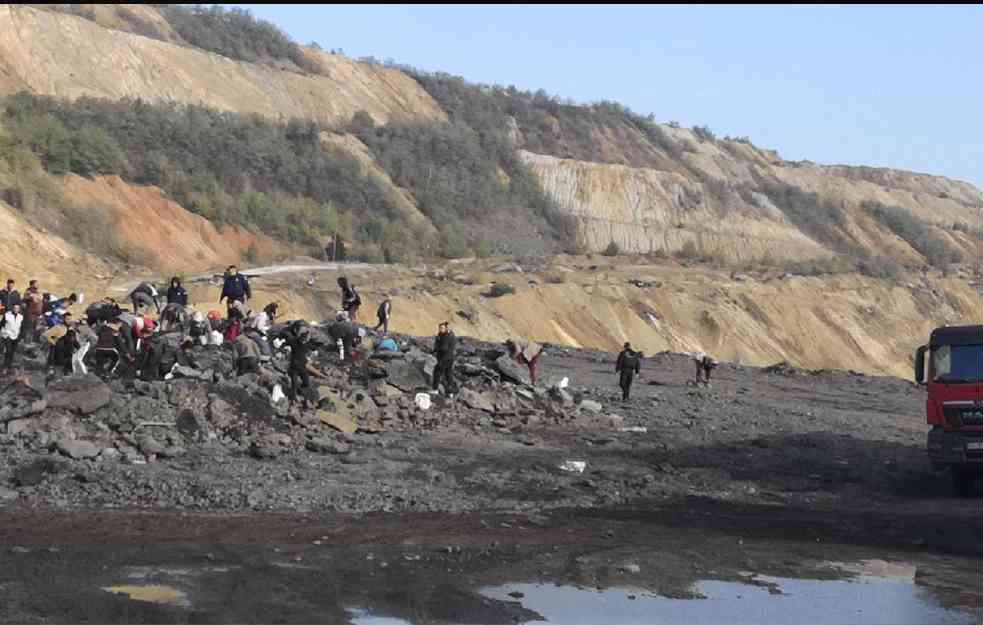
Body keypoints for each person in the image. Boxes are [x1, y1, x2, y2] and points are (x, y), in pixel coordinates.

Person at [432, 321, 457, 397]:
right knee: (448, 375)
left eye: (442, 328)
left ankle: (435, 390)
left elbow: (444, 348)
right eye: (439, 328)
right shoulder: (446, 335)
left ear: (446, 328)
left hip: (444, 358)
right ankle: (450, 393)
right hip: (449, 358)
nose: (440, 329)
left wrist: (437, 347)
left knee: (437, 373)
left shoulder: (447, 336)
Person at [1, 302, 24, 373]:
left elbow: (21, 327)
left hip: (16, 336)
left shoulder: (21, 317)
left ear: (19, 309)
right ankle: (5, 367)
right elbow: (1, 324)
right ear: (12, 308)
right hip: (7, 335)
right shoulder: (7, 315)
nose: (16, 309)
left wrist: (21, 336)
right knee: (8, 351)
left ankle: (9, 366)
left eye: (17, 308)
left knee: (12, 352)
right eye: (15, 308)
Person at [21, 280, 43, 344]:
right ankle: (26, 343)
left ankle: (29, 342)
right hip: (30, 314)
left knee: (33, 329)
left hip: (36, 315)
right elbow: (25, 298)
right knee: (28, 329)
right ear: (32, 284)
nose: (38, 285)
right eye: (36, 284)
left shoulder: (36, 292)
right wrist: (32, 297)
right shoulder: (29, 291)